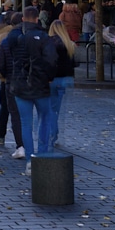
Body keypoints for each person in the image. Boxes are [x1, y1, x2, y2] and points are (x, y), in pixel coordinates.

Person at [5, 6, 56, 161]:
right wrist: (49, 77)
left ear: (23, 19)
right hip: (40, 85)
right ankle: (42, 155)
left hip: (20, 84)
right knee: (45, 119)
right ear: (36, 19)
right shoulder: (44, 37)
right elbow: (52, 61)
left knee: (25, 123)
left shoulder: (15, 37)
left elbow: (6, 57)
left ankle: (29, 160)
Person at [0, 16, 24, 153]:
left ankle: (1, 135)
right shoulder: (24, 36)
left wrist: (1, 75)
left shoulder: (1, 39)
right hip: (23, 79)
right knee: (21, 112)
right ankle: (22, 142)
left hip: (7, 79)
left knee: (6, 108)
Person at [46, 19, 77, 147]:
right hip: (66, 79)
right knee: (58, 109)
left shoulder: (49, 43)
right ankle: (55, 133)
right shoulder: (69, 44)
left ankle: (52, 134)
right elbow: (73, 63)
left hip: (53, 79)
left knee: (51, 109)